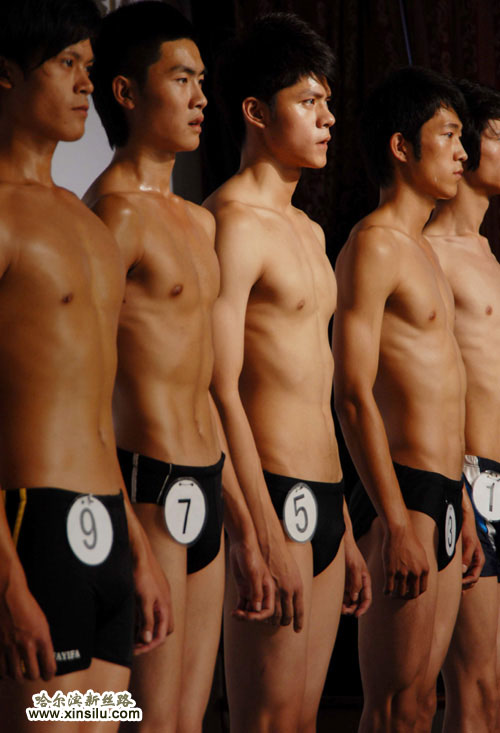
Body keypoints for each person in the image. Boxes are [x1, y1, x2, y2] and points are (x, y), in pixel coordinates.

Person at [85, 3, 273, 731]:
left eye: (201, 80)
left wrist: (246, 528)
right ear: (127, 92)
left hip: (206, 491)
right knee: (140, 719)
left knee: (184, 724)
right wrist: (127, 537)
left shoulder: (199, 221)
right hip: (144, 495)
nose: (201, 98)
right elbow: (84, 389)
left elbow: (205, 389)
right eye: (182, 79)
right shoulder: (111, 213)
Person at [0, 1, 172, 731]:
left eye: (89, 67)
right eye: (66, 63)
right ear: (6, 76)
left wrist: (137, 545)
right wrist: (9, 584)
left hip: (106, 527)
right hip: (31, 529)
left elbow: (95, 406)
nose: (84, 84)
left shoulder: (85, 222)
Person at [205, 13, 371, 732]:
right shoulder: (230, 221)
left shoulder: (309, 230)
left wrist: (345, 523)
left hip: (325, 496)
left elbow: (316, 387)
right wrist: (256, 527)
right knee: (266, 721)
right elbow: (216, 388)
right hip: (269, 491)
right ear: (256, 111)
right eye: (308, 101)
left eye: (328, 102)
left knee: (302, 721)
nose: (328, 118)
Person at [332, 66, 480, 732]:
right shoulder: (373, 245)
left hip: (443, 493)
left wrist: (464, 505)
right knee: (393, 706)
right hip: (403, 492)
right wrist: (393, 523)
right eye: (447, 135)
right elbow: (351, 393)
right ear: (401, 146)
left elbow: (445, 387)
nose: (462, 152)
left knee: (422, 703)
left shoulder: (423, 251)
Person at [424, 79, 500, 733]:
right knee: (475, 690)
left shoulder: (486, 252)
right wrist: (459, 492)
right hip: (468, 479)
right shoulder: (429, 251)